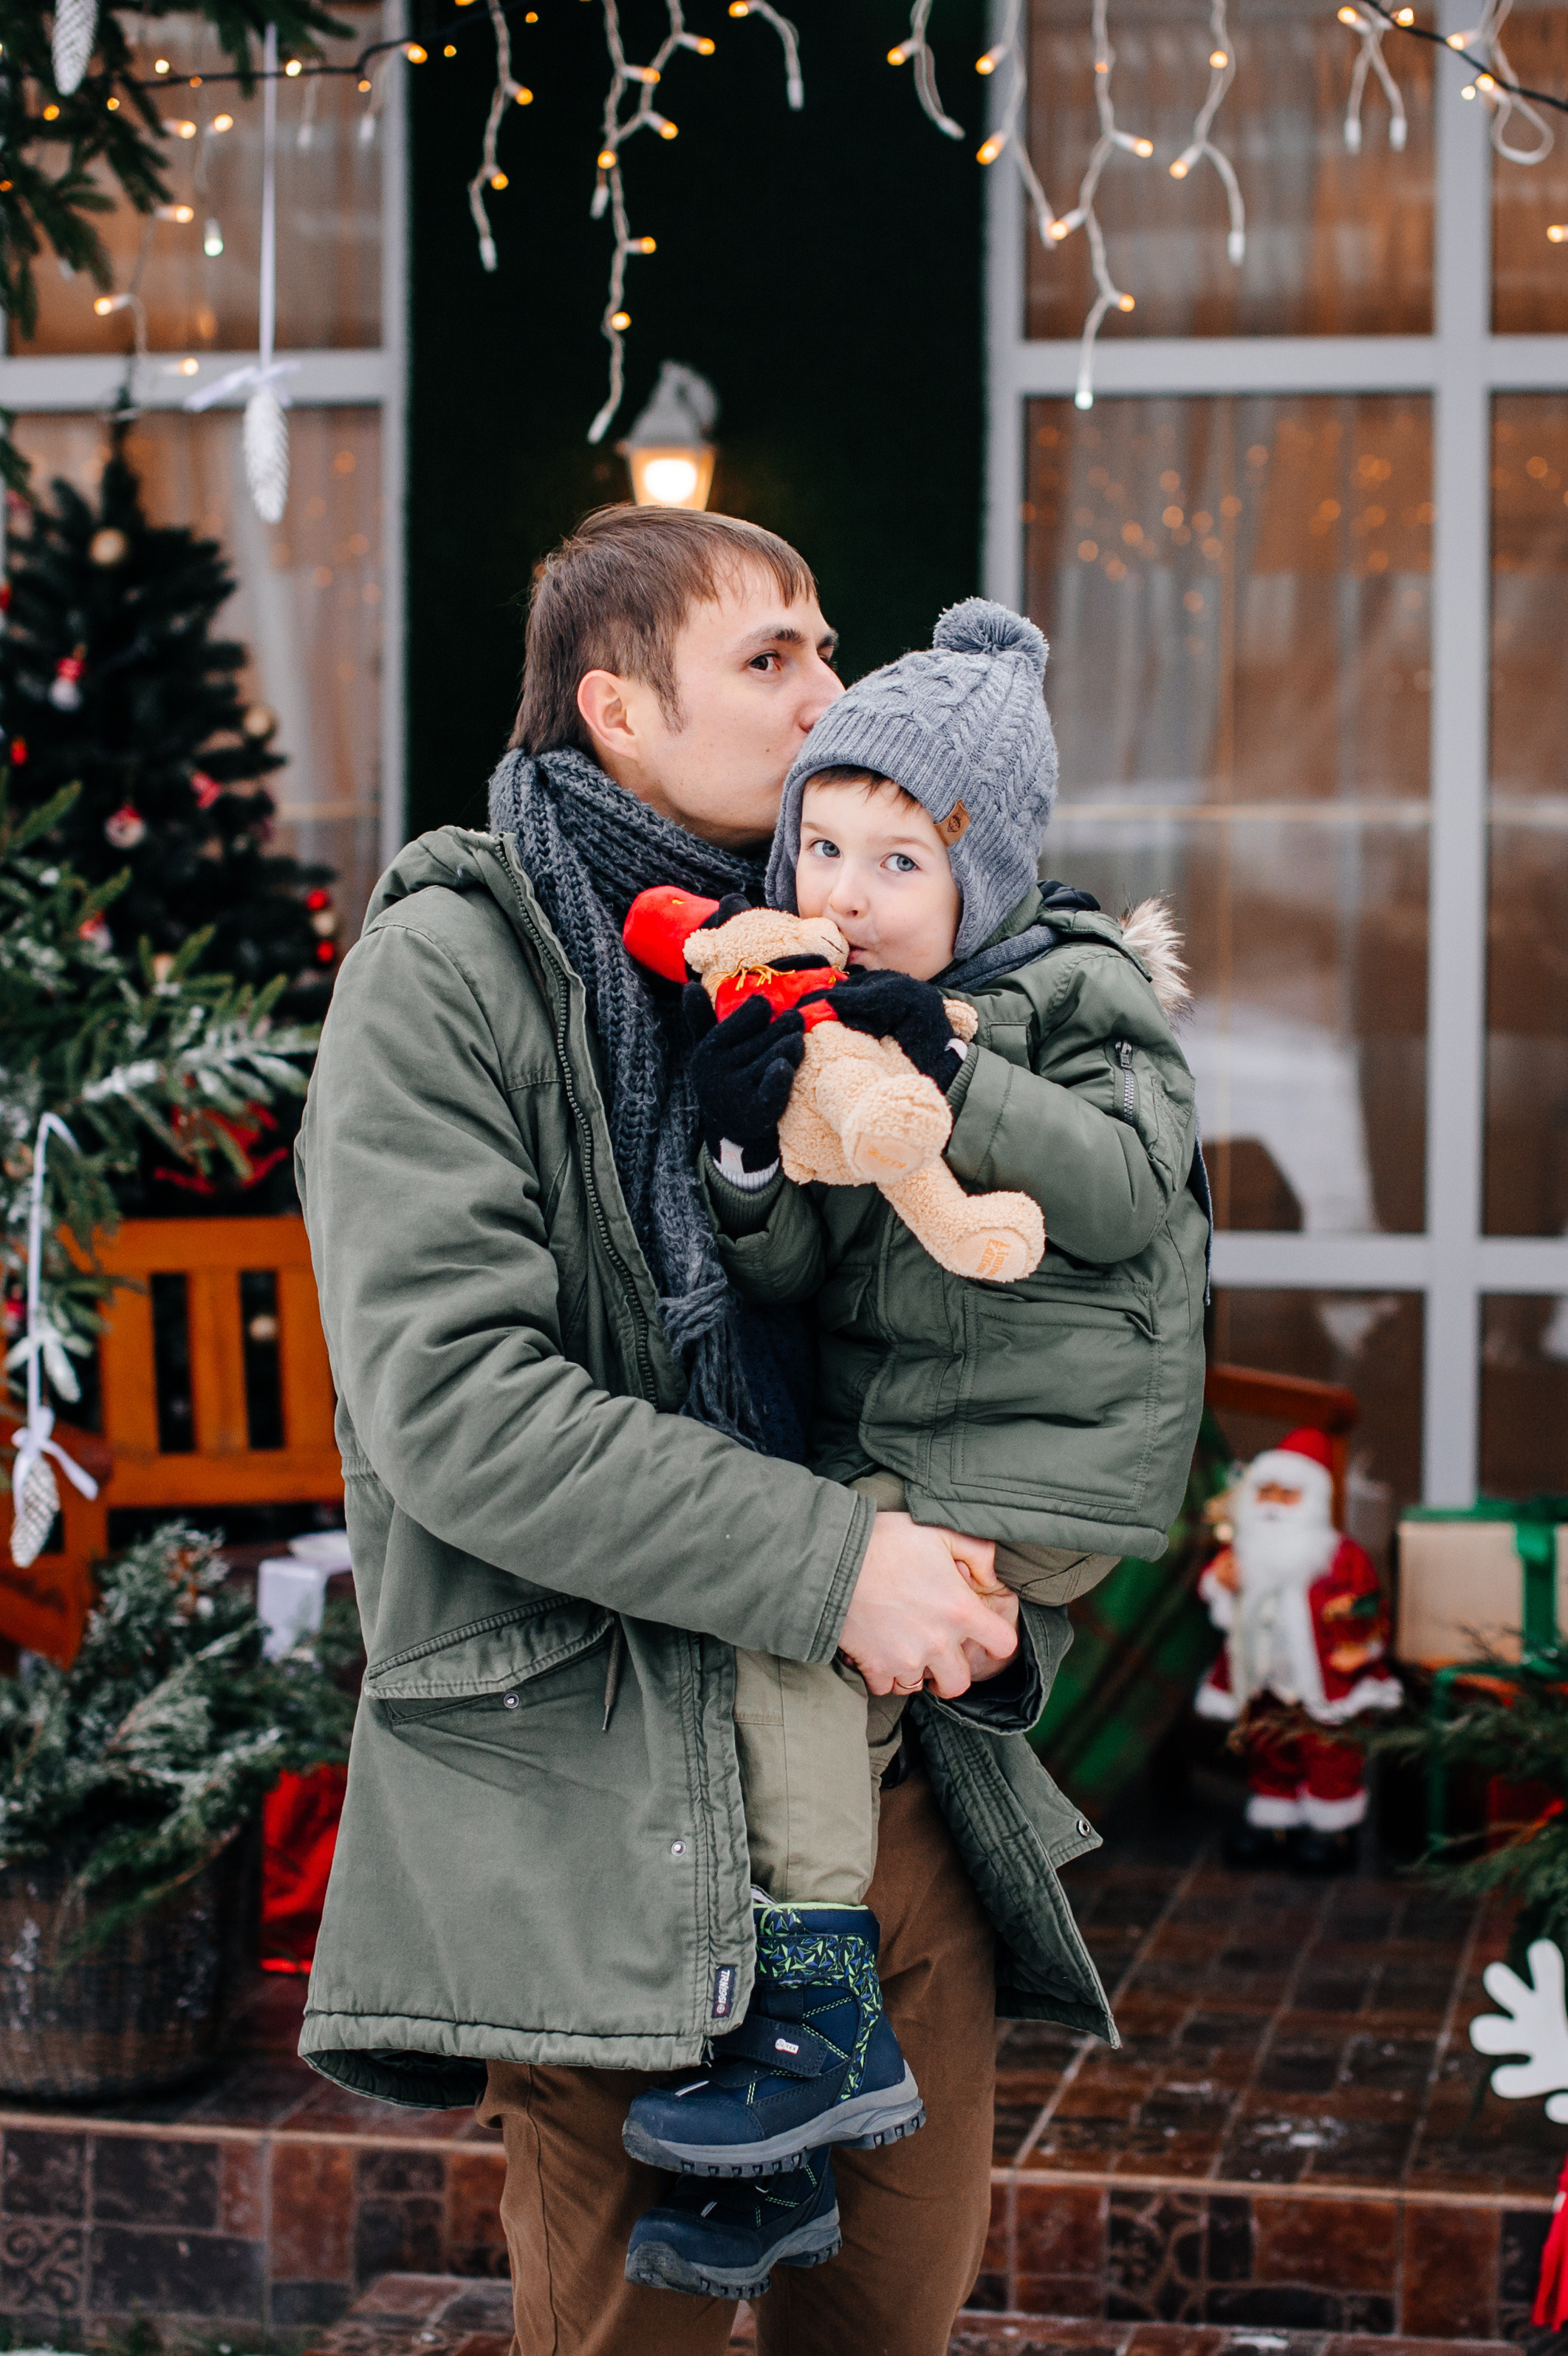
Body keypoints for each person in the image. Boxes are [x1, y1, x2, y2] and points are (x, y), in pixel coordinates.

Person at [295, 507, 1117, 2356]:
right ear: (614, 710)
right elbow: (460, 1411)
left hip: (894, 1806)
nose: (834, 688)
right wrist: (841, 1564)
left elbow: (1016, 1289)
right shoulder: (449, 973)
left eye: (831, 646)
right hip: (610, 1820)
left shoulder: (874, 950)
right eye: (775, 659)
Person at [618, 602, 1209, 2290]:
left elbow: (1115, 1188)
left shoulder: (1076, 993)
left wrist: (946, 1056)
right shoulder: (826, 1011)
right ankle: (778, 2154)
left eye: (896, 858)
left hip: (1040, 1454)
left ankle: (813, 2009)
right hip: (917, 1444)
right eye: (816, 844)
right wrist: (749, 1154)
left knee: (794, 1620)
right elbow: (805, 1267)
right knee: (794, 1673)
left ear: (990, 880)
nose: (840, 892)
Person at [1196, 1426, 1401, 1873]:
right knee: (1269, 1751)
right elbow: (1217, 1590)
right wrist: (1221, 1585)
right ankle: (1275, 1823)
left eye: (1286, 1495)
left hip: (1324, 1686)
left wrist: (1359, 1643)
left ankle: (1332, 1831)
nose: (1271, 1505)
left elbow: (1369, 1604)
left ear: (1311, 1501)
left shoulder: (1339, 1557)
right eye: (1264, 1493)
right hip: (1264, 1683)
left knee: (1330, 1755)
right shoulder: (1243, 1553)